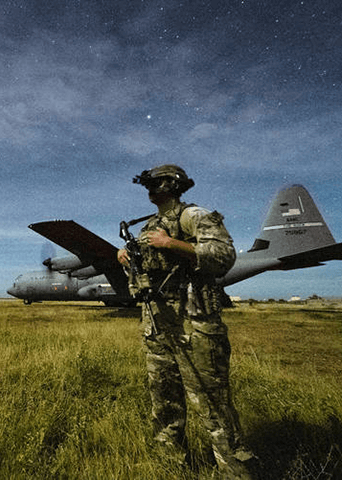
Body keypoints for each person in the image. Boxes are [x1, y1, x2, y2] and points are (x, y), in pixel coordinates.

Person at [117, 164, 255, 479]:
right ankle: (170, 467)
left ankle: (235, 472)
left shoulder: (194, 216)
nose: (150, 189)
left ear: (172, 185)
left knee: (213, 407)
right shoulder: (147, 228)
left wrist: (172, 244)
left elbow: (224, 255)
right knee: (164, 405)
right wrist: (125, 260)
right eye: (148, 184)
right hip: (157, 327)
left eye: (157, 183)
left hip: (195, 329)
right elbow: (142, 280)